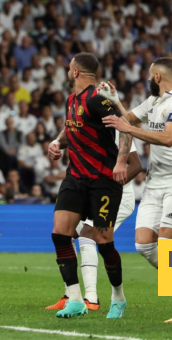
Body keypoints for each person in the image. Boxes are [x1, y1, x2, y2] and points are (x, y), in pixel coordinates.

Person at [101, 57, 172, 323]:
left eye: (148, 76)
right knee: (144, 245)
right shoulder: (154, 101)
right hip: (155, 182)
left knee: (167, 243)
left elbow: (168, 138)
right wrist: (115, 99)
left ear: (157, 77)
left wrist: (129, 128)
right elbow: (127, 119)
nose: (147, 79)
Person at [47, 53, 133, 318]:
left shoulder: (97, 99)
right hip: (75, 178)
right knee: (61, 234)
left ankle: (118, 296)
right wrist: (58, 142)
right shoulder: (73, 100)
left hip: (102, 182)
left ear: (75, 72)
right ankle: (75, 298)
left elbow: (126, 128)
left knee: (104, 242)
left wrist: (121, 162)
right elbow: (71, 127)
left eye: (69, 68)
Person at [46, 129, 143, 312]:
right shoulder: (84, 121)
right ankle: (70, 295)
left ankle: (91, 298)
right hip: (91, 190)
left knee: (88, 235)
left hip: (116, 194)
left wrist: (111, 188)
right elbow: (69, 131)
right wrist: (56, 142)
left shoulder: (114, 128)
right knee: (67, 233)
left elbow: (136, 165)